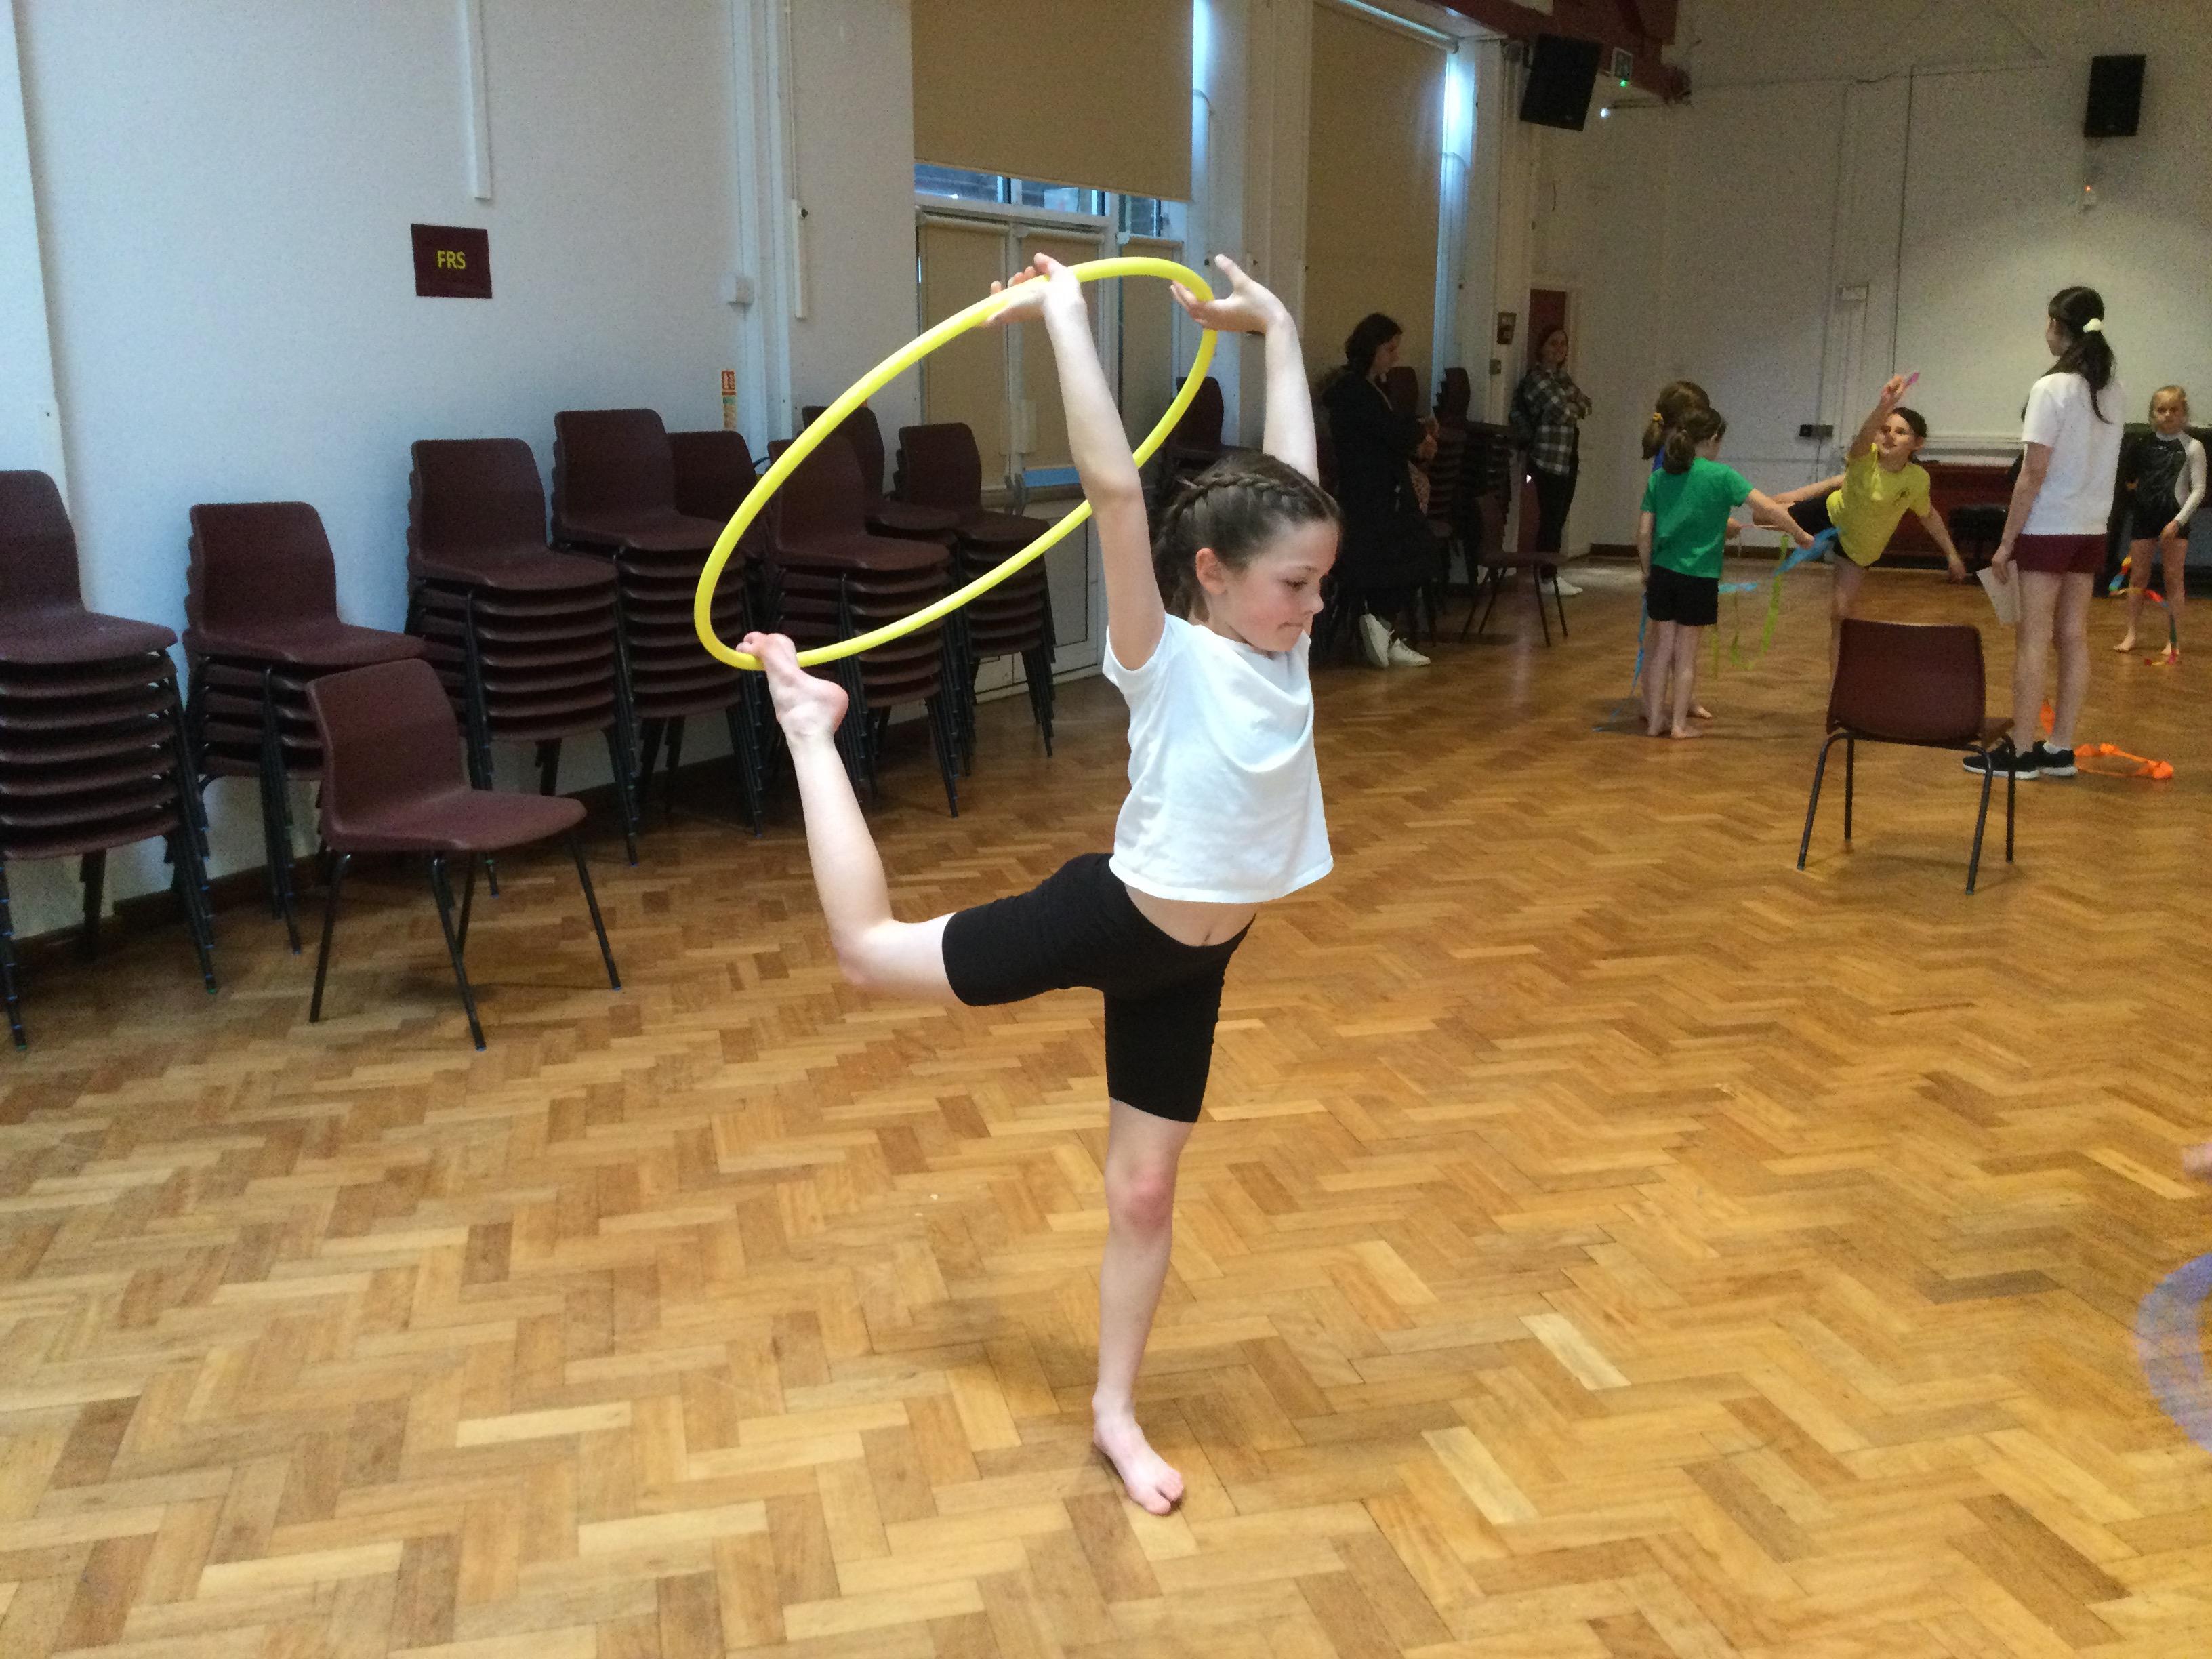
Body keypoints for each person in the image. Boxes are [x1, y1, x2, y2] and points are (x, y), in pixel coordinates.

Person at [740, 252, 1334, 1516]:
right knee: (867, 955)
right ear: (1213, 573)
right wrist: (1065, 315)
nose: (1313, 603)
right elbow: (1114, 490)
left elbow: (1298, 487)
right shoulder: (1161, 654)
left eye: (1316, 581)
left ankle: (1114, 1410)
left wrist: (1279, 331)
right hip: (1110, 919)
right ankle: (810, 724)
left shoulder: (1280, 643)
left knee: (1145, 1189)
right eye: (1296, 585)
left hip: (1197, 959)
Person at [1967, 286, 2123, 781]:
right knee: (2073, 636)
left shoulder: (2051, 388)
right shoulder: (2112, 389)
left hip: (2048, 527)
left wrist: (2006, 542)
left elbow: (2032, 473)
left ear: (2058, 325)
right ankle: (2060, 749)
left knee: (2033, 638)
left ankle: (2021, 753)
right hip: (2091, 529)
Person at [1638, 407, 1814, 739]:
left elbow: (1644, 532)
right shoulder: (1723, 476)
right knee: (1686, 655)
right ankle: (1678, 725)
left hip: (1663, 574)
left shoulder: (1660, 477)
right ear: (1714, 439)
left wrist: (1648, 570)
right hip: (1699, 578)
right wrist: (1799, 533)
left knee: (1661, 650)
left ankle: (1654, 721)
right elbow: (1768, 507)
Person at [1775, 374, 1968, 668]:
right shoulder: (1866, 457)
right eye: (1885, 429)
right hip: (1832, 513)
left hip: (1859, 545)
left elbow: (1928, 515)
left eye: (1901, 432)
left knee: (1841, 614)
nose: (1890, 436)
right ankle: (1831, 485)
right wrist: (1884, 405)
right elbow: (1863, 437)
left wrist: (1951, 555)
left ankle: (1838, 687)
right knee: (1763, 512)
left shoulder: (1917, 479)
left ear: (1917, 443)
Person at [1320, 312, 1439, 669]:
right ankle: (1382, 626)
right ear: (1370, 348)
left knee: (1419, 551)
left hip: (1386, 488)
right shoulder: (1352, 391)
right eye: (1389, 349)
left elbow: (1391, 427)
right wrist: (1419, 435)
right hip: (1369, 492)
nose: (1395, 356)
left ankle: (1384, 627)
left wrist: (1418, 431)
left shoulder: (1372, 388)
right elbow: (1387, 431)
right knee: (1407, 552)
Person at [2114, 385, 2205, 661]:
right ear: (2153, 413)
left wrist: (2178, 522)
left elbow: (2199, 489)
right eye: (2161, 410)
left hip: (2175, 518)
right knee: (2138, 576)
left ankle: (2173, 638)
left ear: (2183, 413)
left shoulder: (2192, 447)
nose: (2167, 415)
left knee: (2173, 578)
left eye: (2174, 410)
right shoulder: (2142, 444)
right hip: (2145, 516)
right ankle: (2131, 633)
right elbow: (2129, 478)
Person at [1512, 325, 1592, 595]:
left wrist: (1570, 406)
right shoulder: (1536, 379)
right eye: (1553, 343)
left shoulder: (1563, 378)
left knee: (1559, 517)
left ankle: (1550, 574)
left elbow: (1586, 404)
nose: (1559, 349)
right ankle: (1546, 577)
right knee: (1551, 517)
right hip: (1546, 457)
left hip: (1567, 455)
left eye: (1563, 344)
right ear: (1541, 347)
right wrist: (1570, 406)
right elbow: (1561, 411)